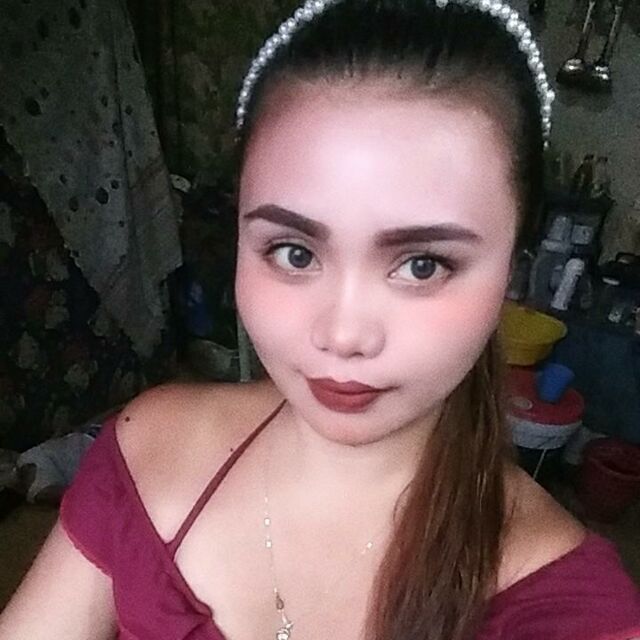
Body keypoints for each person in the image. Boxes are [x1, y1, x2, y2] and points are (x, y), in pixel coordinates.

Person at [1, 0, 639, 638]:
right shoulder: (148, 449)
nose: (342, 335)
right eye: (295, 253)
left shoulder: (573, 613)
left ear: (514, 270)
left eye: (422, 265)